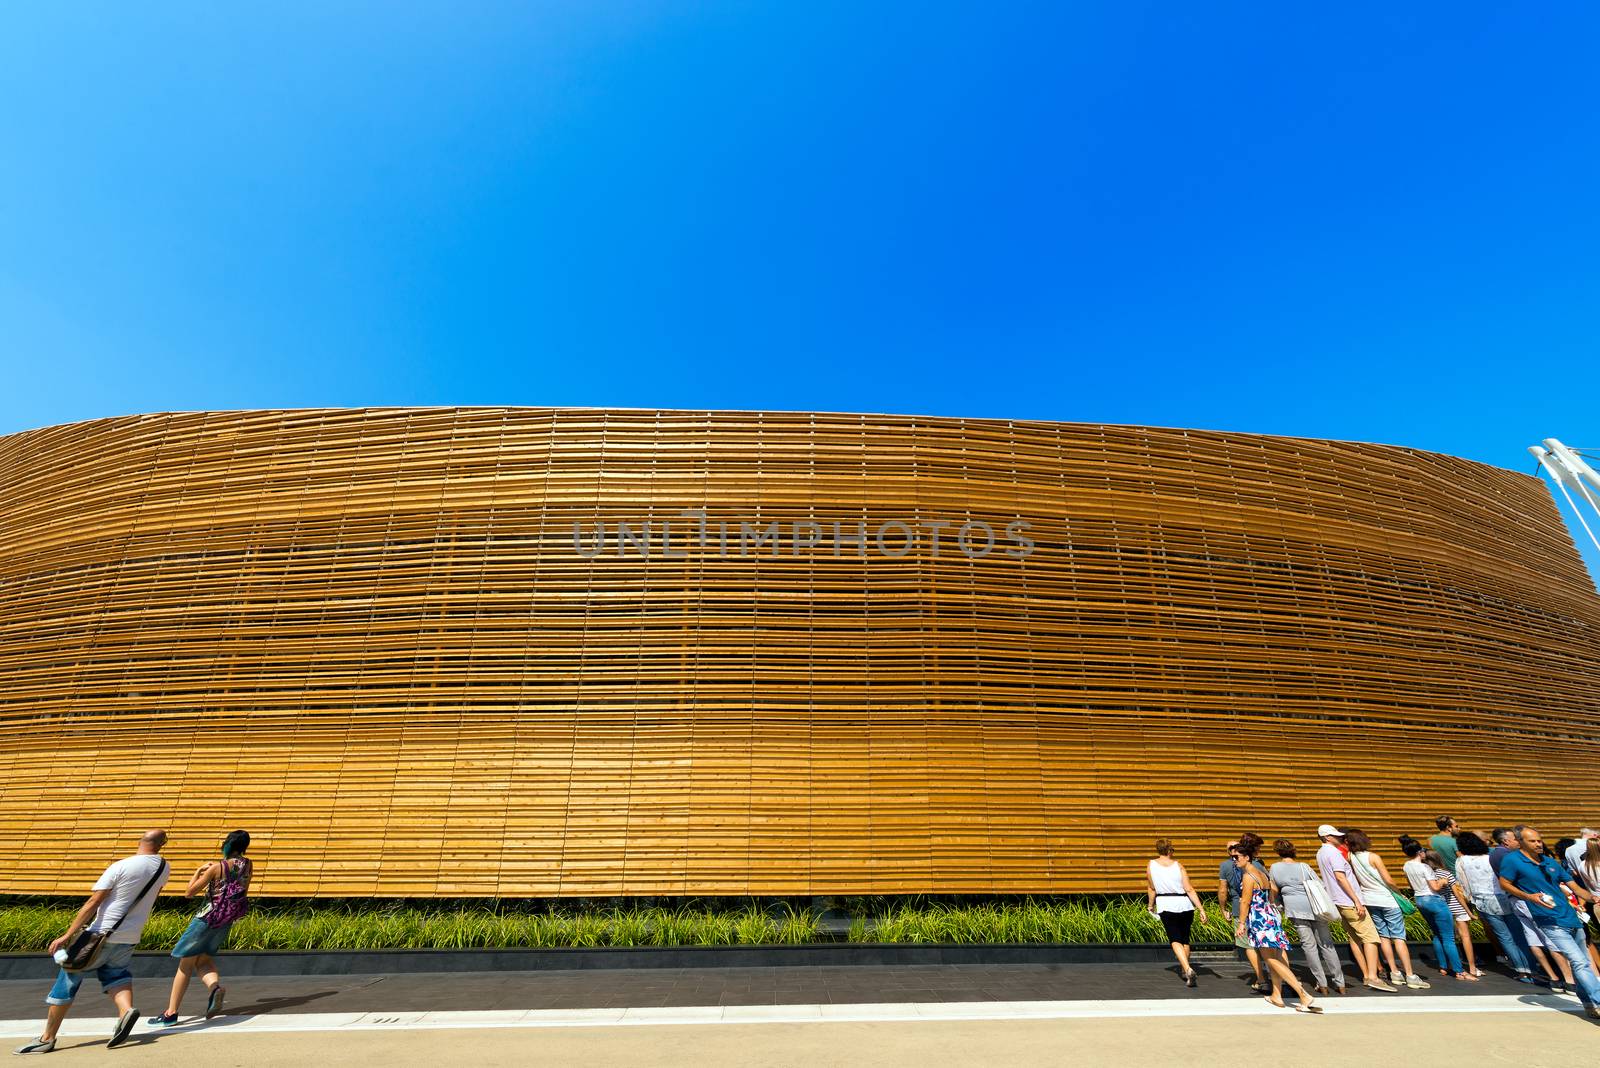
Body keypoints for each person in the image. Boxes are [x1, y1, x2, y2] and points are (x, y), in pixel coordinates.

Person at [15, 831, 171, 1055]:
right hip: (130, 937)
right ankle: (126, 1011)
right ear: (162, 844)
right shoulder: (164, 868)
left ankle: (47, 1038)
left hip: (99, 934)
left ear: (139, 841)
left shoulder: (121, 866)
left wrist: (67, 934)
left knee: (68, 978)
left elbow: (93, 901)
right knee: (116, 975)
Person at [149, 829, 253, 1026]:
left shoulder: (218, 868)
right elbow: (244, 890)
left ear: (228, 844)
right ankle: (215, 989)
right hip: (225, 920)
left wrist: (199, 870)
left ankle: (171, 1013)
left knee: (185, 965)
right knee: (203, 961)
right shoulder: (248, 865)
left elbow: (189, 892)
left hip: (205, 919)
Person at [1498, 826, 1600, 1018]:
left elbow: (1575, 888)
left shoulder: (1550, 862)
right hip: (1549, 921)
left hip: (1570, 918)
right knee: (1579, 962)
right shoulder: (1512, 860)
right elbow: (1504, 883)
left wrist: (1592, 897)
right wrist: (1529, 897)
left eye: (1539, 840)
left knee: (1583, 962)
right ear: (1521, 842)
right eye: (1533, 841)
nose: (1539, 844)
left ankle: (1588, 1002)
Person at [1234, 833, 1320, 1012]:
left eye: (1237, 857)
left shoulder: (1248, 876)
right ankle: (1276, 995)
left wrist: (1241, 923)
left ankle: (1302, 993)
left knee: (1270, 959)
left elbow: (1245, 901)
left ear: (1247, 857)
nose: (1234, 860)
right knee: (1274, 957)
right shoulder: (1262, 874)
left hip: (1259, 919)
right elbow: (1273, 892)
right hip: (1270, 915)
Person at [1344, 828, 1427, 989]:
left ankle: (1394, 972)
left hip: (1369, 900)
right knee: (1398, 937)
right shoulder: (1373, 857)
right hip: (1387, 899)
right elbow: (1388, 880)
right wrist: (1399, 892)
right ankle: (1410, 975)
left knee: (1383, 937)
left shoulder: (1350, 857)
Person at [1315, 824, 1393, 991]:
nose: (1341, 838)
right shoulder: (1334, 853)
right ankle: (1373, 977)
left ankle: (1367, 975)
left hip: (1337, 901)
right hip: (1348, 901)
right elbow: (1341, 877)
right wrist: (1357, 900)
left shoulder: (1321, 852)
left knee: (1355, 938)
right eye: (1335, 836)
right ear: (1327, 837)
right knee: (1371, 937)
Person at [1454, 830, 1537, 983]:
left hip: (1483, 900)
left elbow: (1463, 884)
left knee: (1504, 936)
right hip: (1503, 896)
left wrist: (1471, 899)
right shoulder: (1491, 857)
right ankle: (1531, 966)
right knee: (1519, 933)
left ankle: (1521, 970)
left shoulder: (1461, 861)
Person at [1269, 839, 1344, 995]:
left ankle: (1322, 984)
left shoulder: (1275, 868)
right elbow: (1320, 884)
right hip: (1315, 907)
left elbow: (1274, 890)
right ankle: (1339, 983)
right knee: (1327, 945)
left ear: (1277, 852)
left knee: (1309, 947)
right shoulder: (1304, 866)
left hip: (1295, 908)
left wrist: (1278, 905)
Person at [1400, 836, 1473, 980]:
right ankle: (1460, 971)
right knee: (1448, 937)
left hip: (1420, 899)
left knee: (1437, 934)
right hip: (1434, 900)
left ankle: (1443, 967)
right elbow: (1434, 887)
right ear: (1420, 852)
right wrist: (1443, 881)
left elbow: (1411, 884)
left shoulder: (1406, 866)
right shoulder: (1424, 867)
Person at [1217, 841, 1268, 992]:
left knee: (1248, 945)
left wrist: (1223, 908)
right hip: (1261, 910)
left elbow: (1222, 890)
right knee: (1266, 946)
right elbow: (1269, 886)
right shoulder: (1257, 865)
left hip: (1240, 909)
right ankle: (1277, 976)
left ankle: (1261, 978)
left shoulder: (1225, 866)